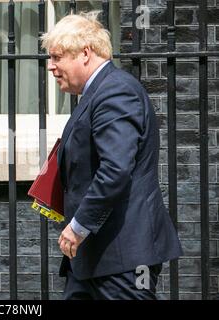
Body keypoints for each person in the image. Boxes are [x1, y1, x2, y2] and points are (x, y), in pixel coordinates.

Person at [41, 11, 183, 300]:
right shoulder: (99, 93)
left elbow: (116, 170)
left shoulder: (116, 91)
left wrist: (78, 227)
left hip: (123, 260)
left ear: (84, 52)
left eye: (57, 57)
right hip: (95, 260)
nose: (51, 67)